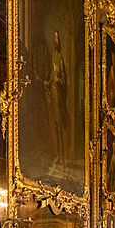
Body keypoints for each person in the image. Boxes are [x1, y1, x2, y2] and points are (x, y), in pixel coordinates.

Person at [45, 30, 70, 163]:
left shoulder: (59, 57)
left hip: (59, 93)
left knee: (60, 122)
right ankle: (57, 154)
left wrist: (58, 80)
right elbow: (51, 75)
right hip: (53, 92)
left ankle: (63, 155)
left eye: (57, 38)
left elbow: (63, 79)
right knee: (55, 121)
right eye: (54, 38)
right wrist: (48, 82)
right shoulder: (53, 56)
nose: (55, 41)